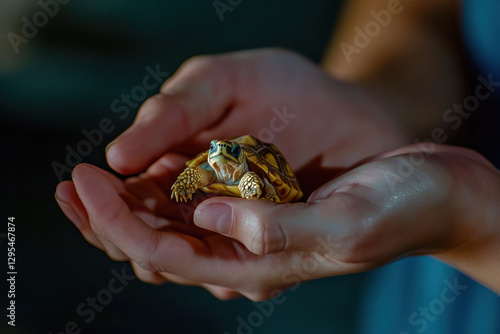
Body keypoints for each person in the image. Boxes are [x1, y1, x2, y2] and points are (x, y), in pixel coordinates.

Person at [55, 0, 499, 326]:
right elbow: (422, 12)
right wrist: (376, 101)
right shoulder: (216, 161)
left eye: (223, 153)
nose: (217, 156)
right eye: (220, 153)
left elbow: (259, 187)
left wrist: (477, 222)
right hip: (417, 277)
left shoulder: (252, 178)